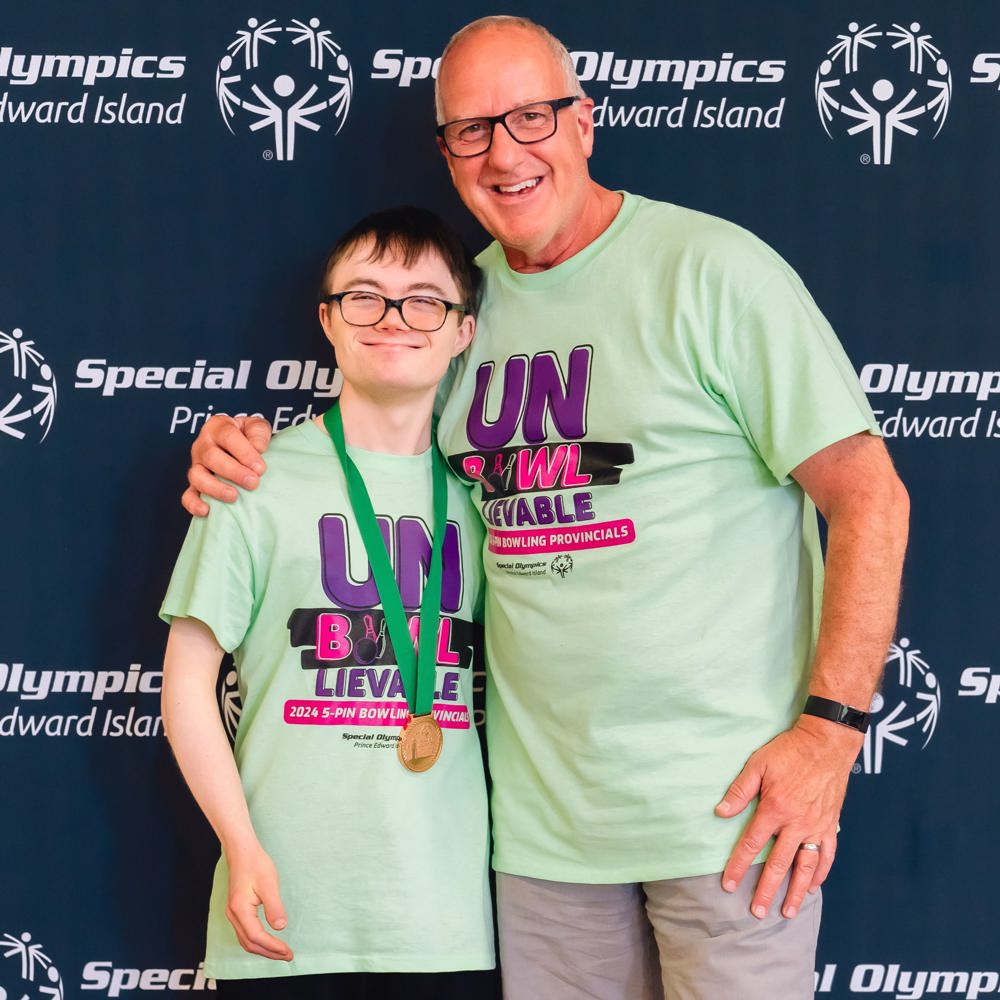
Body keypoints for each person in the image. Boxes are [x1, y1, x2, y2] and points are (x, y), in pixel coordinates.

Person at [181, 16, 910, 1000]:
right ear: (445, 152)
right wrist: (239, 449)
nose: (505, 151)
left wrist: (828, 731)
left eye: (531, 116)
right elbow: (370, 434)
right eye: (472, 130)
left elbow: (870, 496)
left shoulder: (711, 270)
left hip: (728, 820)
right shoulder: (456, 307)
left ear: (585, 122)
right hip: (537, 844)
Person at [160, 206, 495, 997]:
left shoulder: (490, 499)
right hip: (283, 910)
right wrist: (241, 848)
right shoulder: (252, 478)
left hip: (447, 922)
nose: (393, 320)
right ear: (328, 320)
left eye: (424, 301)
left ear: (463, 331)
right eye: (365, 297)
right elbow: (186, 686)